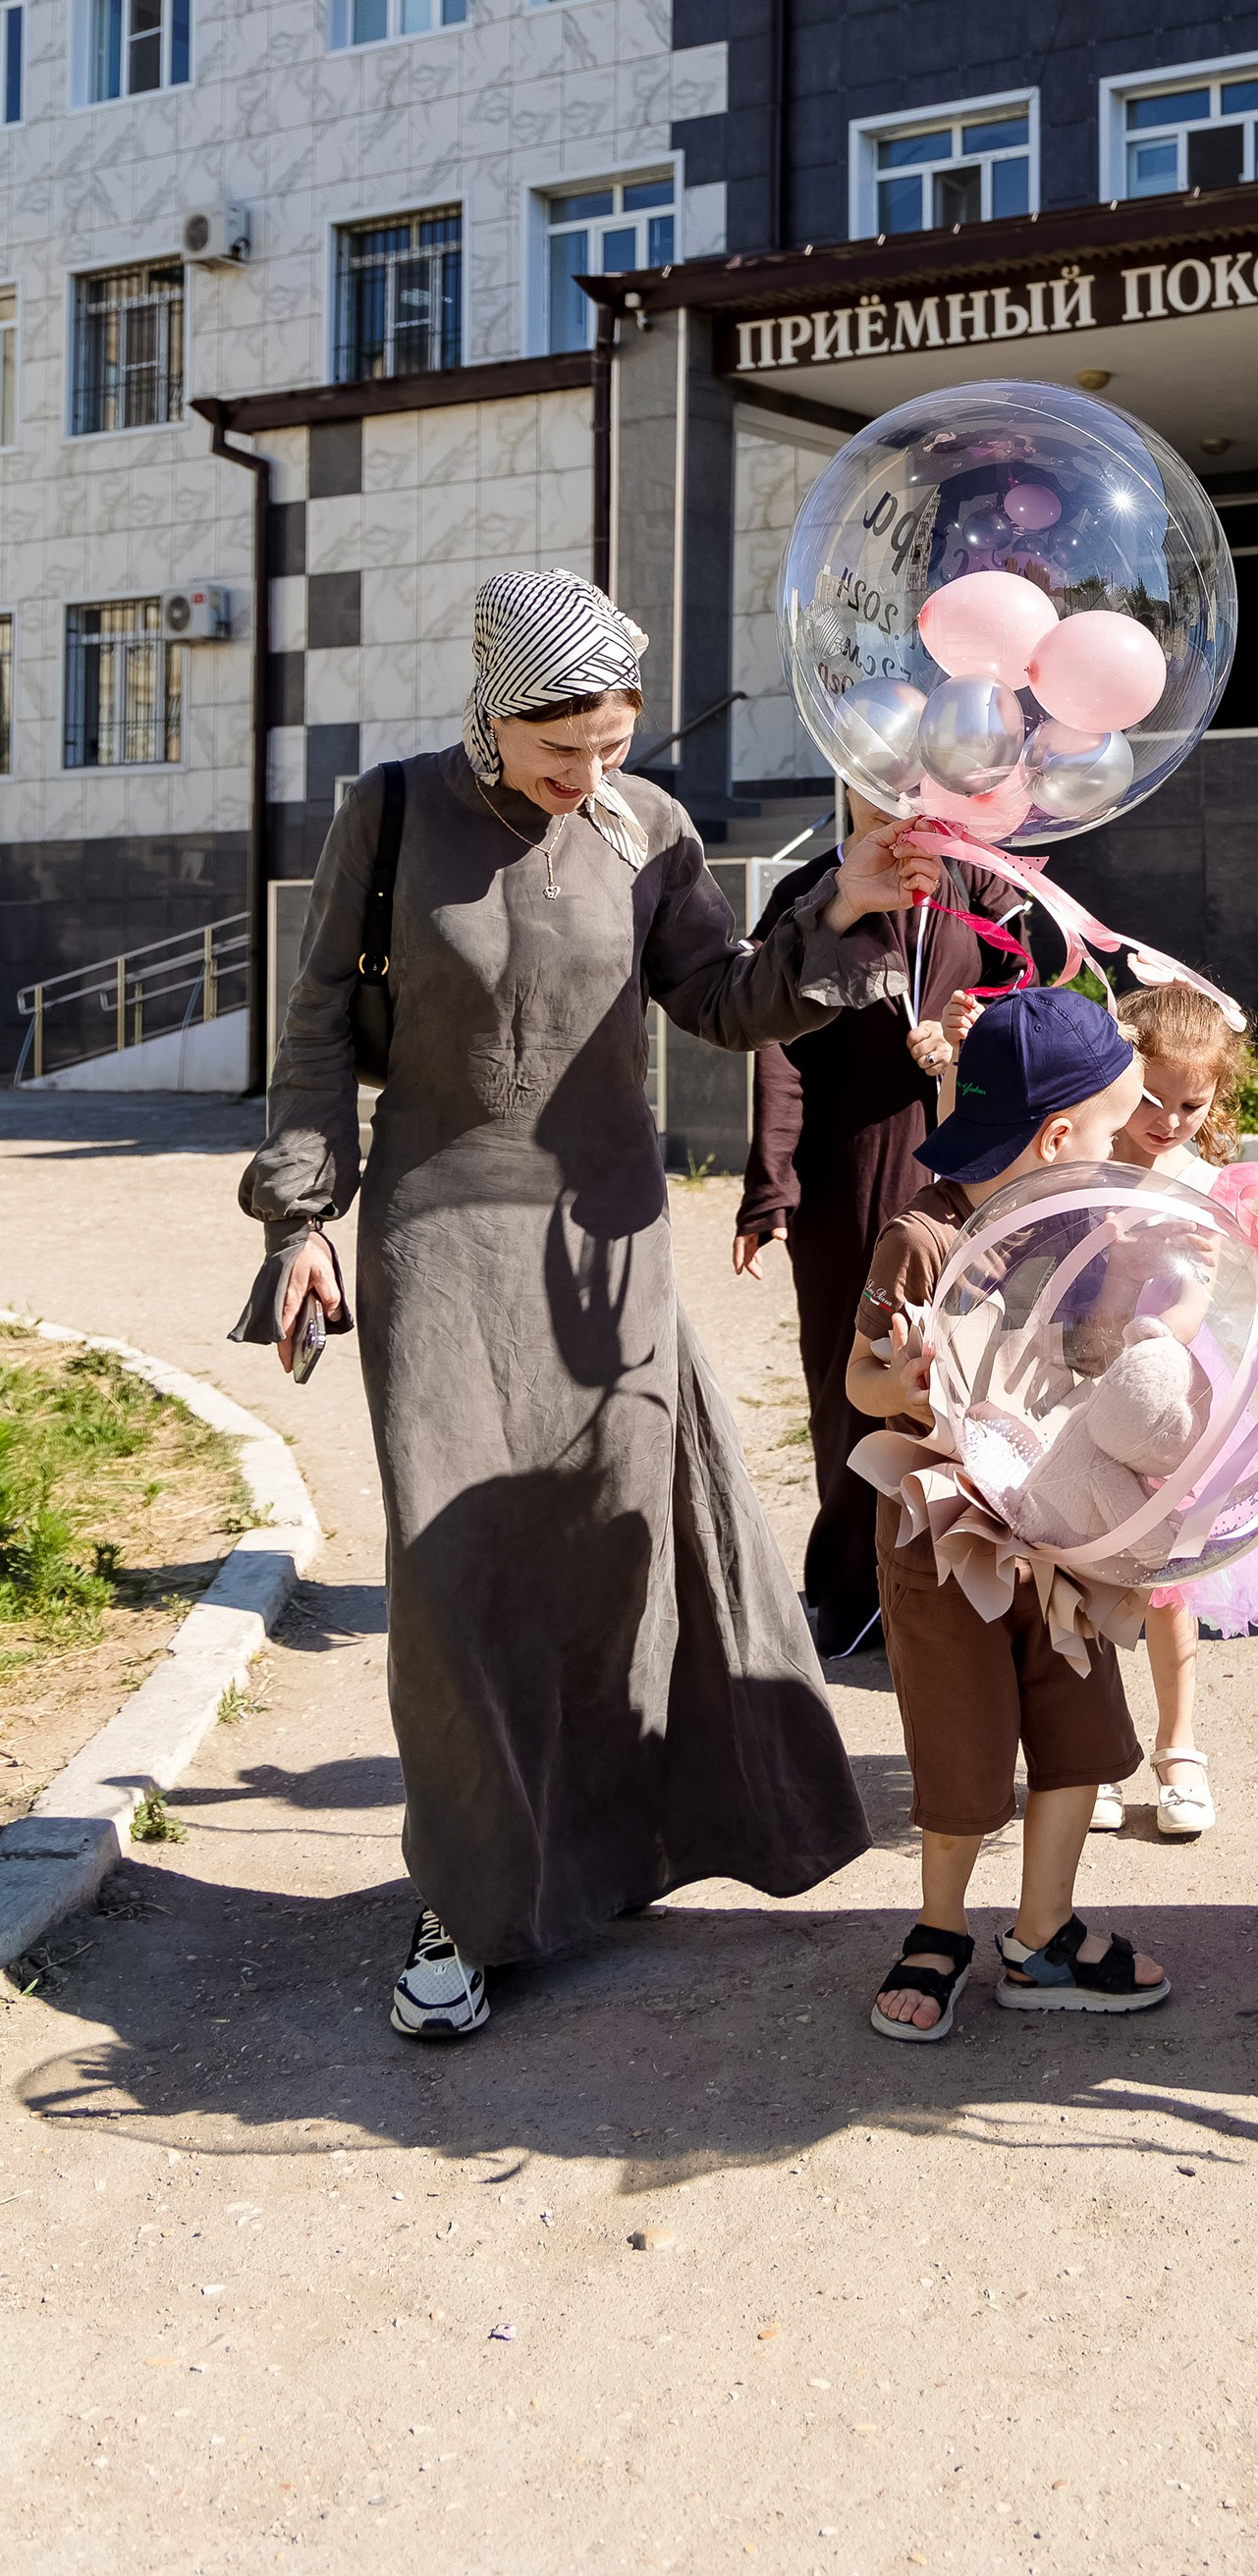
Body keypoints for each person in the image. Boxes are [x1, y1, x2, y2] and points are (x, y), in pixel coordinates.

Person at [234, 567, 931, 2043]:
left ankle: (609, 1855)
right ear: (493, 713)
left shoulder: (647, 826)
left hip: (608, 1240)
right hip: (440, 1231)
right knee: (455, 1577)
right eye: (560, 750)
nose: (587, 775)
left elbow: (729, 1001)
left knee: (616, 1554)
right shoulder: (393, 812)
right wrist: (302, 1223)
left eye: (611, 744)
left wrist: (843, 906)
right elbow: (316, 1026)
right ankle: (468, 1896)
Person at [845, 987, 1173, 2041]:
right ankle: (938, 1929)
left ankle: (1042, 1934)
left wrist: (1131, 1281)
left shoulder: (1088, 1225)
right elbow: (860, 1382)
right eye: (1115, 1127)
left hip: (1060, 1526)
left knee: (1076, 1730)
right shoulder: (922, 1237)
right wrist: (901, 1380)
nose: (1127, 1145)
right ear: (1058, 1135)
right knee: (961, 1742)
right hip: (944, 1539)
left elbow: (1099, 1366)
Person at [734, 805, 1053, 1661]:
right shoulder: (811, 891)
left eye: (920, 784)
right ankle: (854, 1588)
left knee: (975, 1377)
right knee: (855, 1378)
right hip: (848, 1166)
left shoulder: (982, 885)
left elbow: (1031, 1003)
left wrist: (970, 1031)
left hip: (974, 1167)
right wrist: (770, 1188)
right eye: (881, 782)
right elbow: (776, 1047)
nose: (902, 804)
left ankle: (970, 1582)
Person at [1091, 979, 1258, 1840]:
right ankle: (1092, 1750)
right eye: (1148, 1099)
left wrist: (1250, 1240)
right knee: (1082, 1575)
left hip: (1173, 1407)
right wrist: (1120, 1274)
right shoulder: (1080, 1167)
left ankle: (1178, 1747)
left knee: (1167, 1585)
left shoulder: (1205, 1185)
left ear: (1217, 1095)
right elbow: (1071, 1318)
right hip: (1084, 1389)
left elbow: (1207, 1308)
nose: (1167, 1121)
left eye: (1190, 1105)